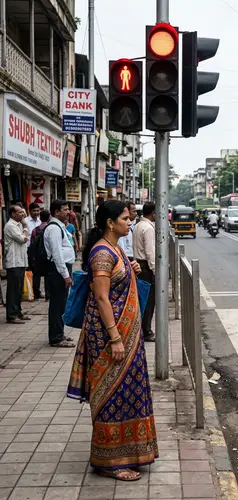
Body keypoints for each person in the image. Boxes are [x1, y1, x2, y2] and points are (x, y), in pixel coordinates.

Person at [67, 201, 158, 481]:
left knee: (128, 392)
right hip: (110, 338)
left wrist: (133, 271)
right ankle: (110, 462)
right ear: (110, 222)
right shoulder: (102, 254)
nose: (129, 222)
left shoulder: (116, 249)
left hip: (127, 336)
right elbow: (102, 297)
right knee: (111, 395)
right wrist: (115, 338)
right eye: (124, 218)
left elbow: (118, 283)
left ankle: (129, 453)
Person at [44, 200, 76, 347]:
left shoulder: (60, 227)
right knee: (57, 304)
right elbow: (57, 255)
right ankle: (56, 337)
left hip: (62, 270)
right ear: (57, 212)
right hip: (57, 271)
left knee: (61, 303)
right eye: (65, 209)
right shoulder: (54, 229)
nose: (68, 212)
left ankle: (59, 333)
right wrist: (65, 275)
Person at [133, 202, 156, 342]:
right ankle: (146, 331)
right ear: (153, 213)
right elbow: (150, 252)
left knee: (142, 299)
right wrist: (155, 271)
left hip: (139, 266)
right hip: (146, 267)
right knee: (149, 301)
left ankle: (142, 329)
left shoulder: (138, 225)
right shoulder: (148, 228)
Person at [4, 204, 30, 324]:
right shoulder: (10, 226)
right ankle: (11, 315)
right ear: (13, 214)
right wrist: (25, 227)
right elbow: (23, 239)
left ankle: (18, 312)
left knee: (19, 289)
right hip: (13, 262)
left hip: (21, 261)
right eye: (20, 212)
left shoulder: (19, 224)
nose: (23, 214)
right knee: (13, 289)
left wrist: (24, 226)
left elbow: (26, 237)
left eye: (23, 212)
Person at [30, 210, 51, 301]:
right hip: (47, 255)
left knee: (36, 275)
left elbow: (32, 244)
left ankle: (36, 295)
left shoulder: (35, 230)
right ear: (49, 218)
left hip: (37, 256)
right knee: (48, 275)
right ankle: (48, 295)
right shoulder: (50, 229)